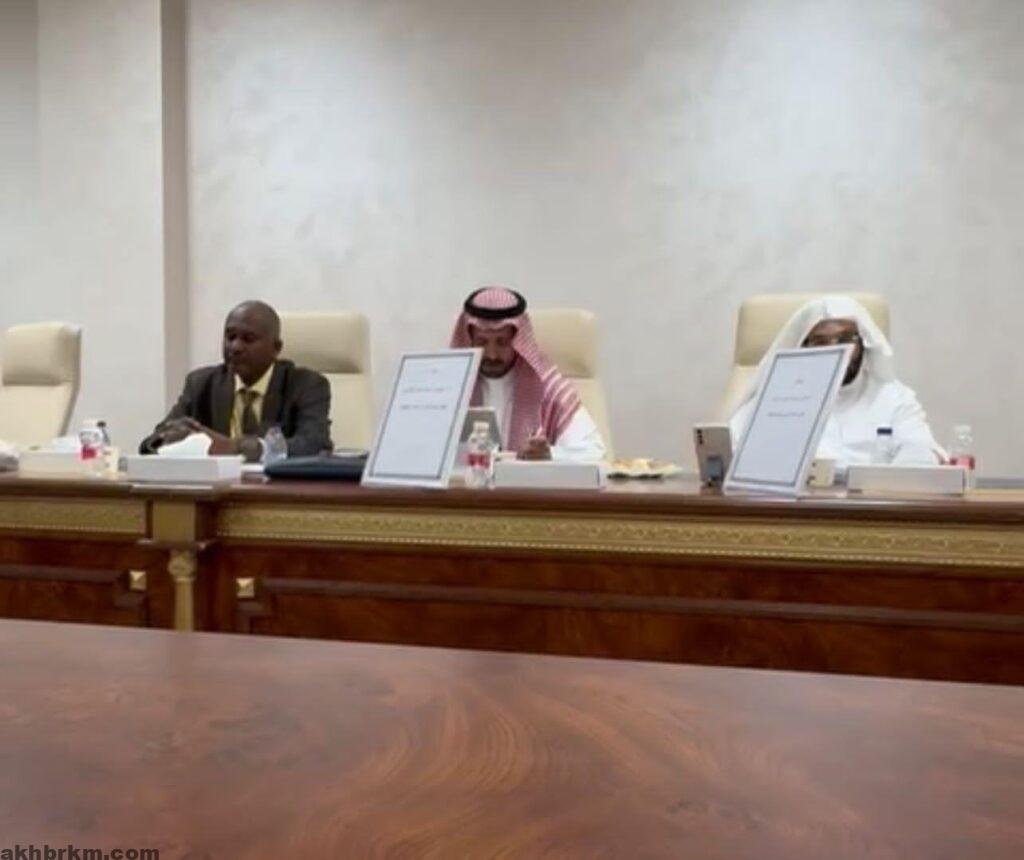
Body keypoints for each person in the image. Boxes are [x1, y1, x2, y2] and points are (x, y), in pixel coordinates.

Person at [729, 295, 944, 471]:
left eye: (845, 340)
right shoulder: (773, 399)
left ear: (864, 343)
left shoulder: (893, 398)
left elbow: (922, 452)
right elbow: (730, 454)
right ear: (802, 347)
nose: (836, 351)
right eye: (820, 342)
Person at [140, 301, 332, 462]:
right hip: (217, 490)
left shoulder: (306, 385)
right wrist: (168, 439)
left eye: (248, 339)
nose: (235, 347)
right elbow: (150, 443)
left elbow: (314, 444)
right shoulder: (201, 383)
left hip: (277, 490)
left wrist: (240, 447)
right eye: (230, 337)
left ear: (276, 348)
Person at [450, 287, 606, 461]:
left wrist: (550, 454)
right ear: (469, 339)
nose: (491, 354)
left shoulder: (549, 387)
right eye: (482, 342)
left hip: (530, 480)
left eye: (502, 342)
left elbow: (595, 451)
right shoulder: (452, 387)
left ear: (518, 340)